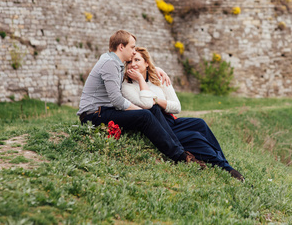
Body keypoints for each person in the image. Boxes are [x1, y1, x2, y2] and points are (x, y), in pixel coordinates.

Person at [77, 30, 206, 168]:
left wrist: (155, 68)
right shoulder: (110, 64)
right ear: (121, 47)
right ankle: (179, 157)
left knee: (153, 108)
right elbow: (117, 101)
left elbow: (136, 73)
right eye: (132, 47)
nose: (133, 51)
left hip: (105, 111)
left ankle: (184, 153)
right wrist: (142, 111)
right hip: (94, 115)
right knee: (146, 114)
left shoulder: (115, 62)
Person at [122, 47, 244, 181]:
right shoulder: (127, 86)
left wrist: (157, 100)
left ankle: (225, 162)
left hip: (170, 120)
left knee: (200, 124)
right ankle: (226, 169)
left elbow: (176, 107)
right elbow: (147, 104)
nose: (133, 64)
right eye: (129, 62)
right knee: (195, 138)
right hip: (157, 125)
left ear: (146, 63)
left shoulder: (158, 78)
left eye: (137, 60)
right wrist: (139, 79)